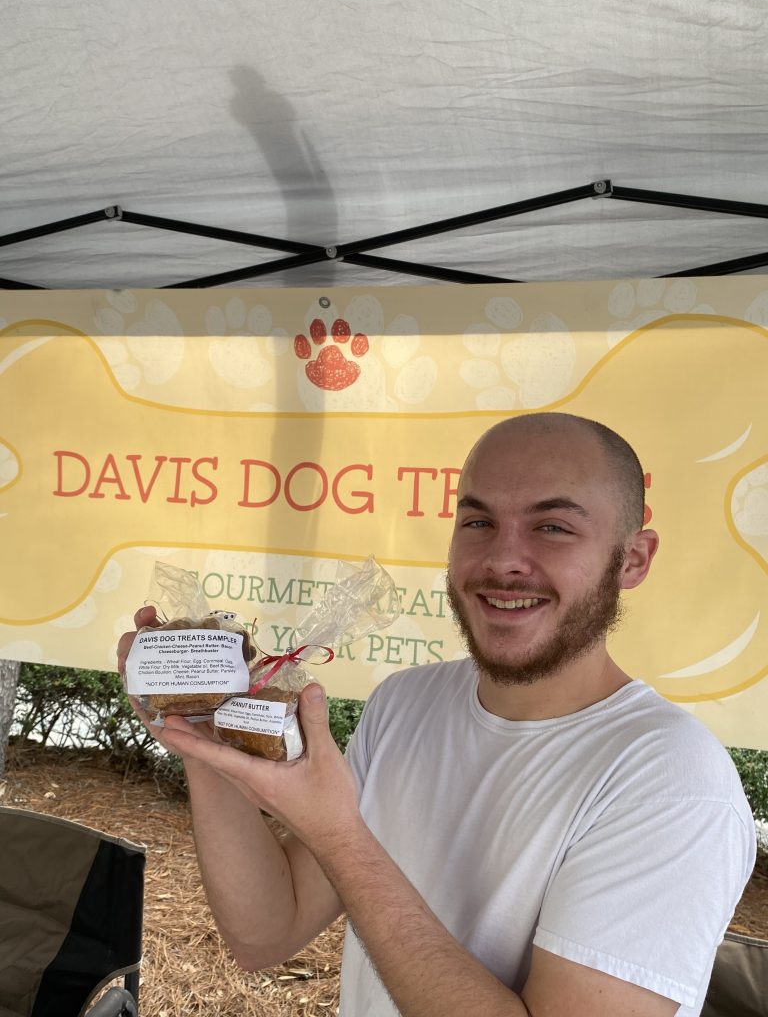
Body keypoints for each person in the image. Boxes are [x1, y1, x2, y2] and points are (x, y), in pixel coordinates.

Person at [118, 412, 756, 1017]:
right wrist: (197, 735)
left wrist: (341, 836)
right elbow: (266, 934)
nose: (503, 560)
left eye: (552, 527)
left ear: (633, 559)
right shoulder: (406, 703)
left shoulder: (673, 781)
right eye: (478, 522)